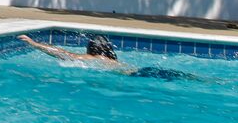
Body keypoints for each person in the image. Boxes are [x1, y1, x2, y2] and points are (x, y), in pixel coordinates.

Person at [17, 34, 200, 80]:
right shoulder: (113, 61)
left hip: (136, 76)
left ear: (92, 48)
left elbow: (62, 53)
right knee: (180, 77)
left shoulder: (90, 59)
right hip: (141, 72)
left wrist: (34, 44)